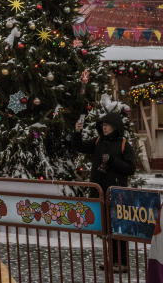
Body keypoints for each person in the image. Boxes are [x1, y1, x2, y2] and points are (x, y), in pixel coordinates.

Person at [72, 111, 136, 273]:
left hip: (117, 193)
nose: (104, 127)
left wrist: (113, 161)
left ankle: (122, 262)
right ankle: (112, 261)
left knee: (118, 228)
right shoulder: (98, 141)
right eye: (103, 125)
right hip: (101, 193)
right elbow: (79, 147)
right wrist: (77, 132)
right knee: (107, 229)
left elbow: (131, 168)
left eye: (107, 125)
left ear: (115, 126)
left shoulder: (123, 144)